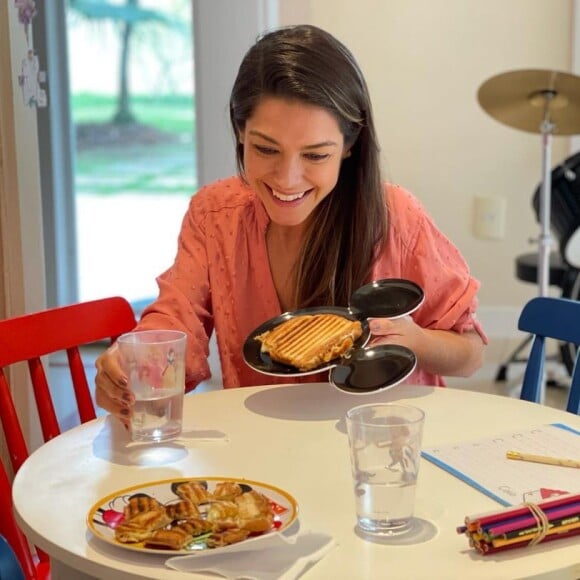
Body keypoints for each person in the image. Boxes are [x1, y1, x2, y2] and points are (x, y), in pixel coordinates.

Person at [95, 24, 488, 424]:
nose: (287, 179)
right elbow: (177, 318)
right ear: (239, 132)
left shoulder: (396, 217)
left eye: (316, 156)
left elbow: (470, 352)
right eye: (266, 149)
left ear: (349, 147)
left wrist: (416, 341)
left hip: (383, 446)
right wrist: (134, 360)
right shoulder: (215, 215)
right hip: (267, 446)